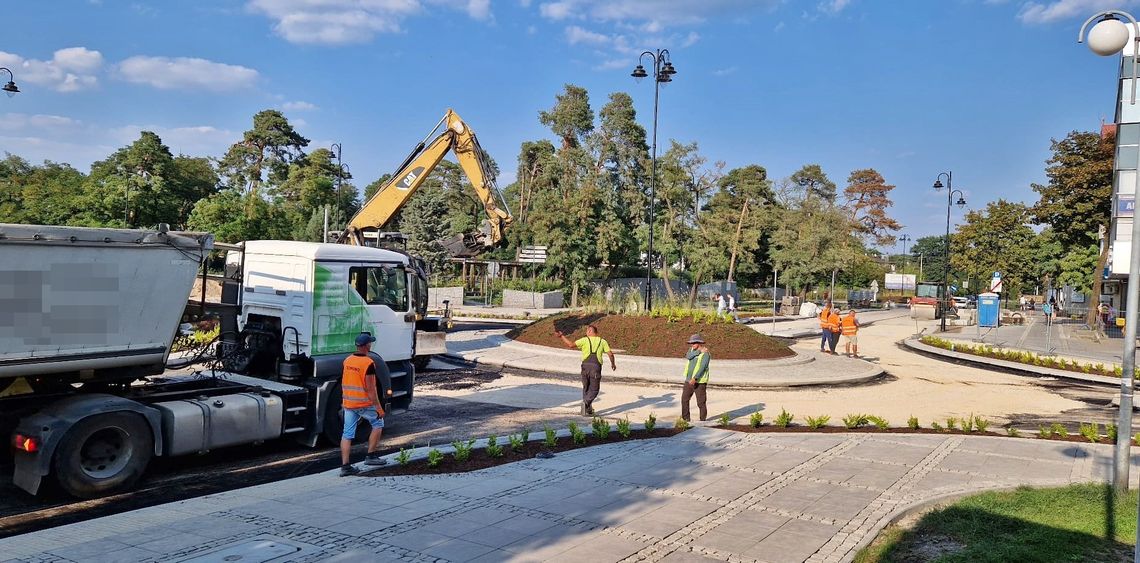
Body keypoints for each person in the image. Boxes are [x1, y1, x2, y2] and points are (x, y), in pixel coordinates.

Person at [339, 333, 387, 476]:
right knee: (378, 424)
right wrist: (379, 408)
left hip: (348, 403)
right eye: (370, 343)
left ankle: (345, 466)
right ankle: (371, 456)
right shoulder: (368, 363)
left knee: (347, 434)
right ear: (367, 346)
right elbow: (371, 390)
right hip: (363, 403)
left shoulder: (347, 360)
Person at [556, 325, 616, 415]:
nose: (586, 332)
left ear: (590, 331)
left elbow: (570, 345)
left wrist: (561, 336)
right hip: (596, 367)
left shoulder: (584, 340)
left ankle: (587, 409)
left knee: (586, 388)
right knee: (595, 390)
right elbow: (610, 354)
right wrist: (613, 364)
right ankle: (586, 403)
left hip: (585, 367)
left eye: (587, 331)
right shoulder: (602, 341)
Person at [681, 333, 711, 422]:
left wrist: (695, 378)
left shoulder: (706, 354)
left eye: (693, 343)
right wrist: (698, 352)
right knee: (684, 400)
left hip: (699, 382)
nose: (692, 344)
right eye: (691, 343)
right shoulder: (691, 350)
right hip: (688, 380)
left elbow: (702, 367)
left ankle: (702, 420)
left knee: (701, 403)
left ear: (699, 343)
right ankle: (686, 419)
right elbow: (687, 356)